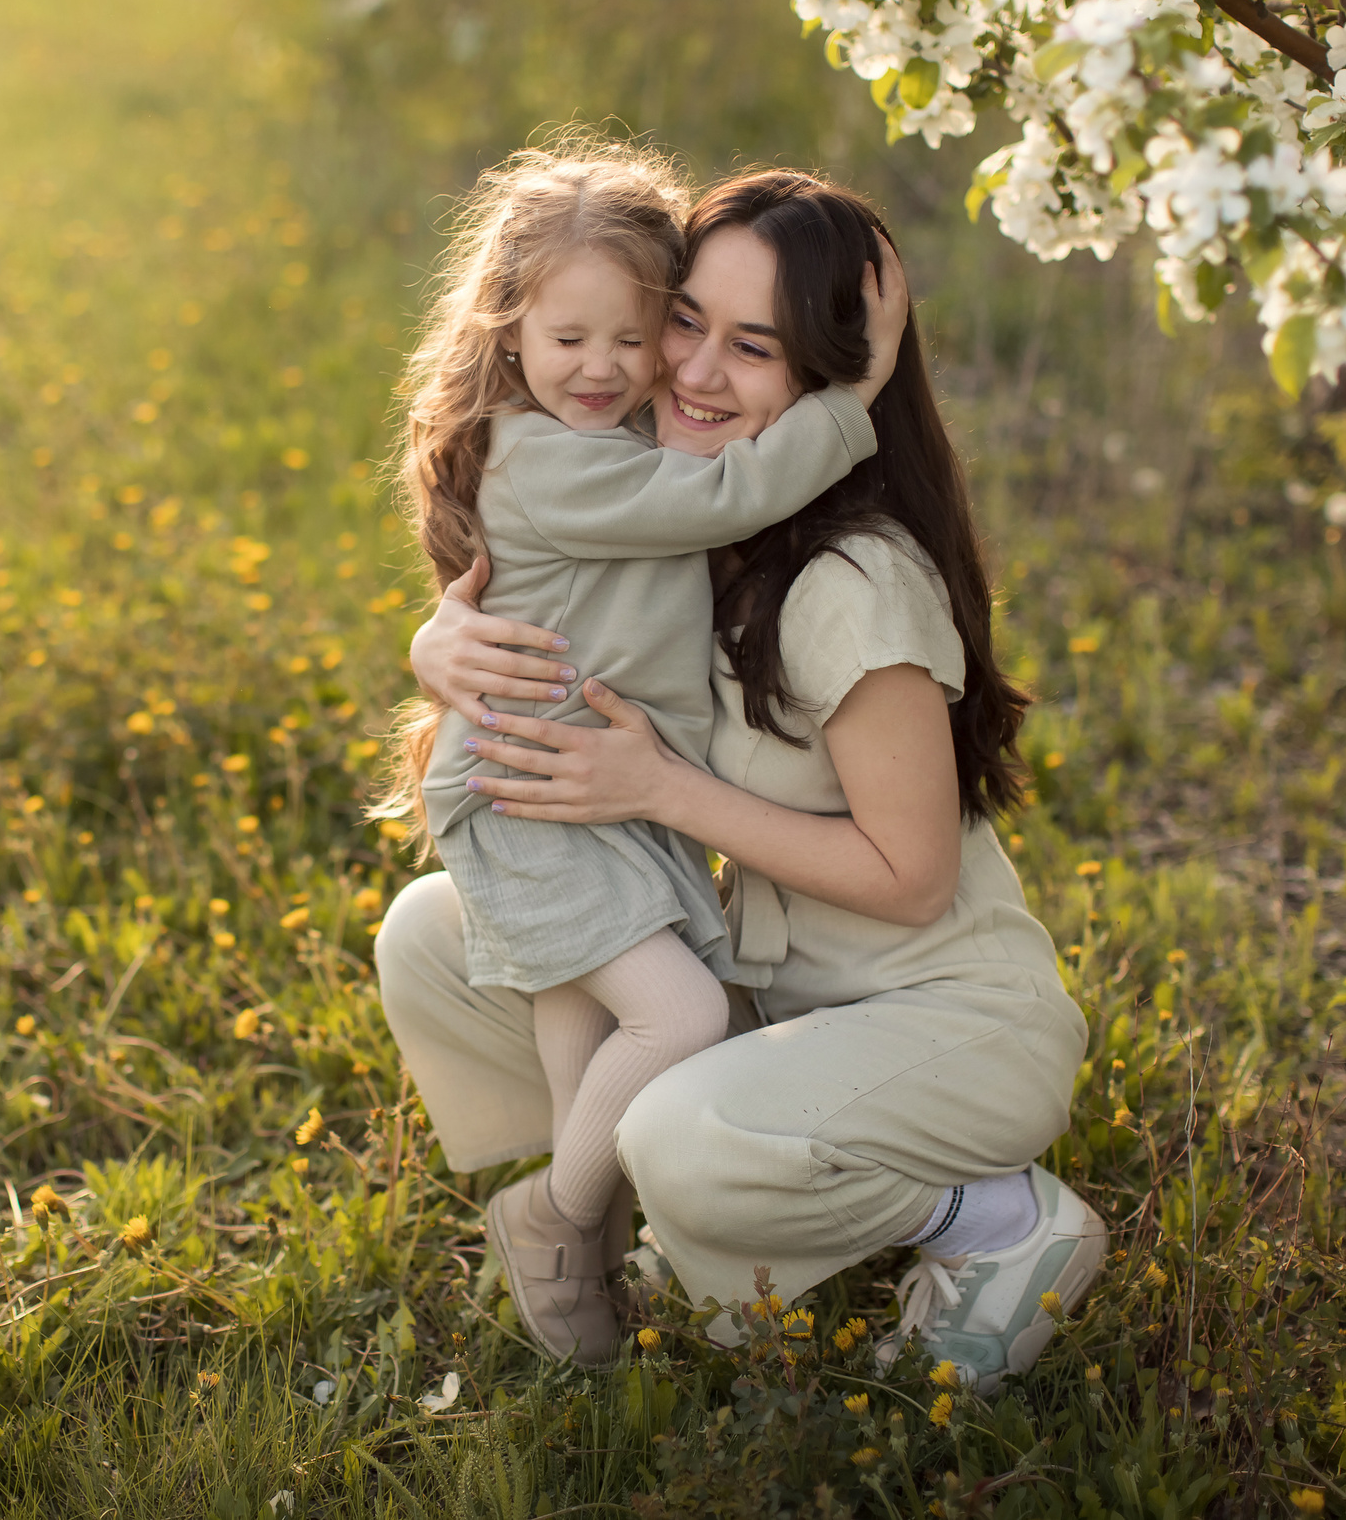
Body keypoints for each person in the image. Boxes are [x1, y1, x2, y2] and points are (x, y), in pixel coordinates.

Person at [376, 169, 1105, 1393]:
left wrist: (659, 789)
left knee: (683, 1128)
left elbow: (914, 882)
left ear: (826, 374)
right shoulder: (691, 527)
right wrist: (435, 646)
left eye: (754, 347)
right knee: (433, 936)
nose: (697, 372)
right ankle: (631, 1203)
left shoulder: (850, 580)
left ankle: (986, 1220)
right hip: (781, 993)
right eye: (684, 324)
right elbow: (561, 609)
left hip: (936, 1019)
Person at [374, 141, 903, 1365]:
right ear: (509, 336)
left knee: (580, 1037)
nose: (608, 370)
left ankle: (592, 1287)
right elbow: (721, 503)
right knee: (676, 1017)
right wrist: (853, 392)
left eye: (636, 334)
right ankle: (552, 1219)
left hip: (580, 785)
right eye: (570, 341)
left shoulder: (595, 441)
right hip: (537, 788)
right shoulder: (553, 460)